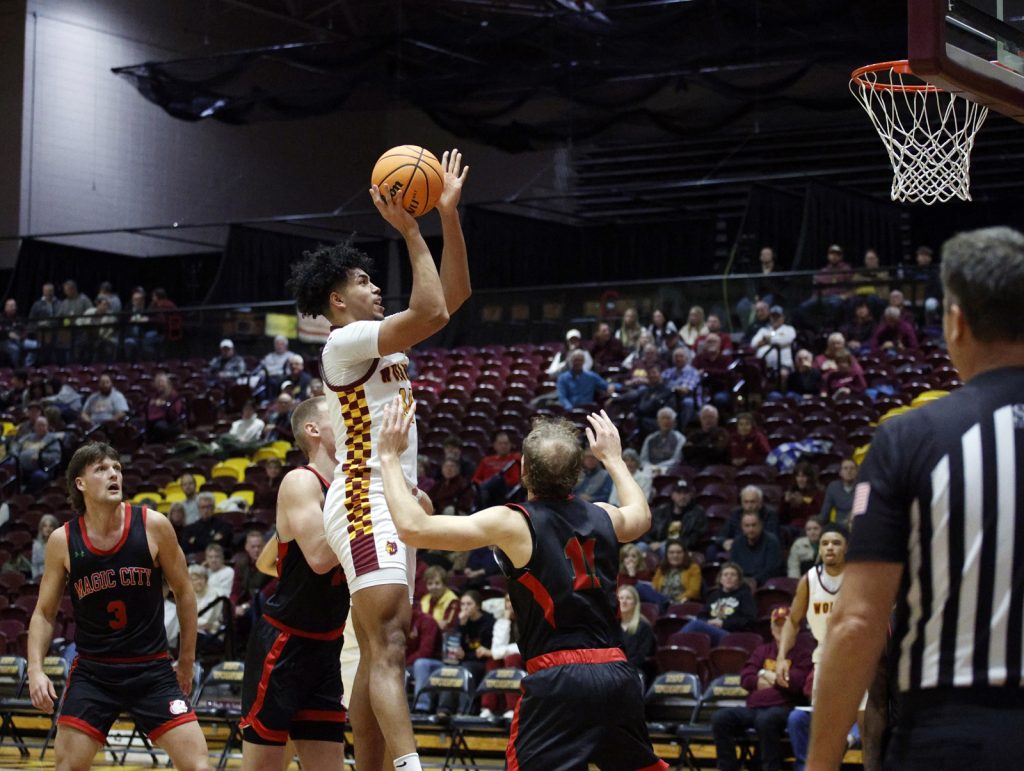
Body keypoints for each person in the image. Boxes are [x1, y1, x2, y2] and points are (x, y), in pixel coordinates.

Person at [808, 227, 1024, 769]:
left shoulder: (911, 438)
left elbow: (857, 622)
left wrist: (820, 764)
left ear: (956, 321)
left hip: (956, 732)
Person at [287, 149, 469, 771]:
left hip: (391, 498)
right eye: (363, 282)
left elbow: (452, 296)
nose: (375, 287)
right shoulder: (344, 343)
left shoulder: (378, 341)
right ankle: (411, 766)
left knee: (376, 649)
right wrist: (411, 230)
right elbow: (432, 310)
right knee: (388, 642)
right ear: (337, 301)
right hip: (364, 499)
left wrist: (447, 216)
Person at [377, 403, 668, 770]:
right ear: (577, 473)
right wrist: (613, 459)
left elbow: (414, 528)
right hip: (616, 672)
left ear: (524, 469)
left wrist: (388, 457)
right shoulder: (604, 515)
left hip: (558, 677)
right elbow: (641, 516)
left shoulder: (513, 522)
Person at [27, 443, 209, 769]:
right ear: (80, 483)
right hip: (94, 672)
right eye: (101, 469)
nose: (113, 474)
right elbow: (44, 613)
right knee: (67, 766)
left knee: (198, 765)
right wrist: (36, 670)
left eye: (117, 468)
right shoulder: (62, 540)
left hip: (151, 668)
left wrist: (186, 659)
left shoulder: (153, 525)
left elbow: (184, 592)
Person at [239, 395, 351, 770]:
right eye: (338, 415)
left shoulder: (348, 486)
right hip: (285, 643)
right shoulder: (301, 481)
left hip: (326, 645)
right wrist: (368, 508)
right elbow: (319, 558)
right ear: (313, 429)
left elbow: (269, 560)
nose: (348, 421)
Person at [775, 523, 852, 771]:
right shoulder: (809, 580)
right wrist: (781, 657)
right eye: (825, 543)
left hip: (858, 660)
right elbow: (792, 621)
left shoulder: (858, 577)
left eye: (836, 543)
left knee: (869, 727)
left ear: (847, 548)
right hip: (825, 661)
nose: (830, 548)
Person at [712, 606, 812, 771]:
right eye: (777, 625)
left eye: (786, 625)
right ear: (772, 629)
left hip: (784, 708)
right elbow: (746, 678)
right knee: (720, 718)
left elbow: (795, 682)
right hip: (754, 708)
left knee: (765, 721)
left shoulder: (803, 654)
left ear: (796, 629)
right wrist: (771, 676)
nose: (781, 629)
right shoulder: (762, 651)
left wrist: (764, 674)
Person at [680, 562, 756, 645]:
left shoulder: (745, 595)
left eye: (733, 575)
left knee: (696, 625)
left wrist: (723, 623)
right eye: (725, 575)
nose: (729, 577)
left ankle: (675, 644)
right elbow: (702, 615)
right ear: (721, 579)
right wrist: (709, 621)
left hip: (731, 635)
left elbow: (749, 620)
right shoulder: (714, 595)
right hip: (712, 630)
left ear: (739, 579)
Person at [647, 478, 707, 554]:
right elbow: (647, 532)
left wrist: (667, 544)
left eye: (685, 493)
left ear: (690, 495)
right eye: (679, 493)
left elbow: (694, 538)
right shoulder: (661, 511)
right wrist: (650, 542)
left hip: (684, 549)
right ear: (672, 495)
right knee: (641, 546)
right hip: (658, 544)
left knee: (667, 548)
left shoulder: (697, 513)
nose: (682, 497)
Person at [729, 510, 785, 586]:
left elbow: (772, 570)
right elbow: (733, 566)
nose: (751, 529)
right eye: (747, 526)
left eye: (754, 525)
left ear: (761, 525)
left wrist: (753, 581)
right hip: (741, 584)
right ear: (742, 527)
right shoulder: (737, 542)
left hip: (765, 584)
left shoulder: (772, 541)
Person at [617, 584, 655, 677]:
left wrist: (623, 669)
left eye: (628, 598)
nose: (624, 601)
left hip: (635, 672)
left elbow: (641, 656)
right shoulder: (613, 626)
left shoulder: (644, 627)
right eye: (621, 598)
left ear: (635, 603)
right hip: (615, 671)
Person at [650, 539, 701, 603]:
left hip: (680, 602)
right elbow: (654, 586)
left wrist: (679, 599)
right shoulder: (662, 568)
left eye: (679, 552)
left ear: (684, 554)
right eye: (671, 552)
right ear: (667, 555)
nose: (675, 555)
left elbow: (694, 590)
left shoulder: (693, 568)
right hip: (661, 600)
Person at [662, 346, 700, 429]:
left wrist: (671, 388)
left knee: (688, 403)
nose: (678, 359)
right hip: (670, 398)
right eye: (676, 357)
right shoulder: (668, 371)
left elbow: (685, 390)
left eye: (681, 356)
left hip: (686, 398)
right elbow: (659, 383)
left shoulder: (693, 372)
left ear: (686, 359)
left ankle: (681, 430)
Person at [638, 406, 686, 473]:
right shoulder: (650, 438)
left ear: (674, 422)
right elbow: (643, 459)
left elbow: (676, 460)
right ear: (658, 421)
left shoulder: (680, 438)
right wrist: (650, 468)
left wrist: (658, 468)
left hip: (669, 471)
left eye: (668, 418)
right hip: (649, 470)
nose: (665, 421)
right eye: (663, 418)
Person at [780, 461, 824, 529]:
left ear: (810, 478)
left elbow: (818, 515)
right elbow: (782, 519)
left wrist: (802, 503)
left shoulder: (818, 493)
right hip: (791, 527)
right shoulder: (791, 491)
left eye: (803, 476)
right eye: (798, 476)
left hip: (810, 527)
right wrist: (785, 503)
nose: (800, 480)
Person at [145, 372, 186, 443]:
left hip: (170, 422)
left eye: (162, 382)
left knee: (160, 426)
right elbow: (150, 414)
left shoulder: (173, 395)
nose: (160, 384)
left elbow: (176, 412)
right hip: (154, 421)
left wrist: (164, 404)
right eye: (158, 382)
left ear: (167, 383)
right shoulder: (154, 396)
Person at [818, 457, 858, 525]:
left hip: (858, 524)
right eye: (845, 468)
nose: (849, 471)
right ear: (840, 473)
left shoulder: (863, 487)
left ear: (857, 472)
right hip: (839, 526)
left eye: (852, 468)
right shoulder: (833, 487)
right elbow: (825, 512)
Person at [31, 514, 59, 580]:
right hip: (40, 578)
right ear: (41, 529)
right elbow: (34, 565)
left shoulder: (60, 544)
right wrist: (36, 579)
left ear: (55, 528)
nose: (47, 529)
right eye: (45, 526)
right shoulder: (36, 545)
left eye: (51, 526)